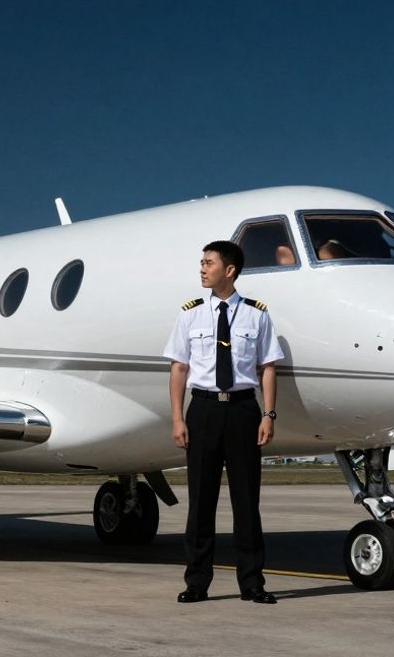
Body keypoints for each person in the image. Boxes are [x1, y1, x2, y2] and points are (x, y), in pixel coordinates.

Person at [163, 240, 285, 604]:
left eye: (209, 263)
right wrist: (177, 418)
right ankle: (197, 582)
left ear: (229, 270)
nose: (202, 269)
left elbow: (267, 368)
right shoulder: (190, 314)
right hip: (202, 411)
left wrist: (268, 414)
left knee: (247, 501)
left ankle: (252, 583)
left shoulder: (256, 315)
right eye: (201, 262)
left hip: (244, 411)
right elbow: (179, 368)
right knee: (201, 501)